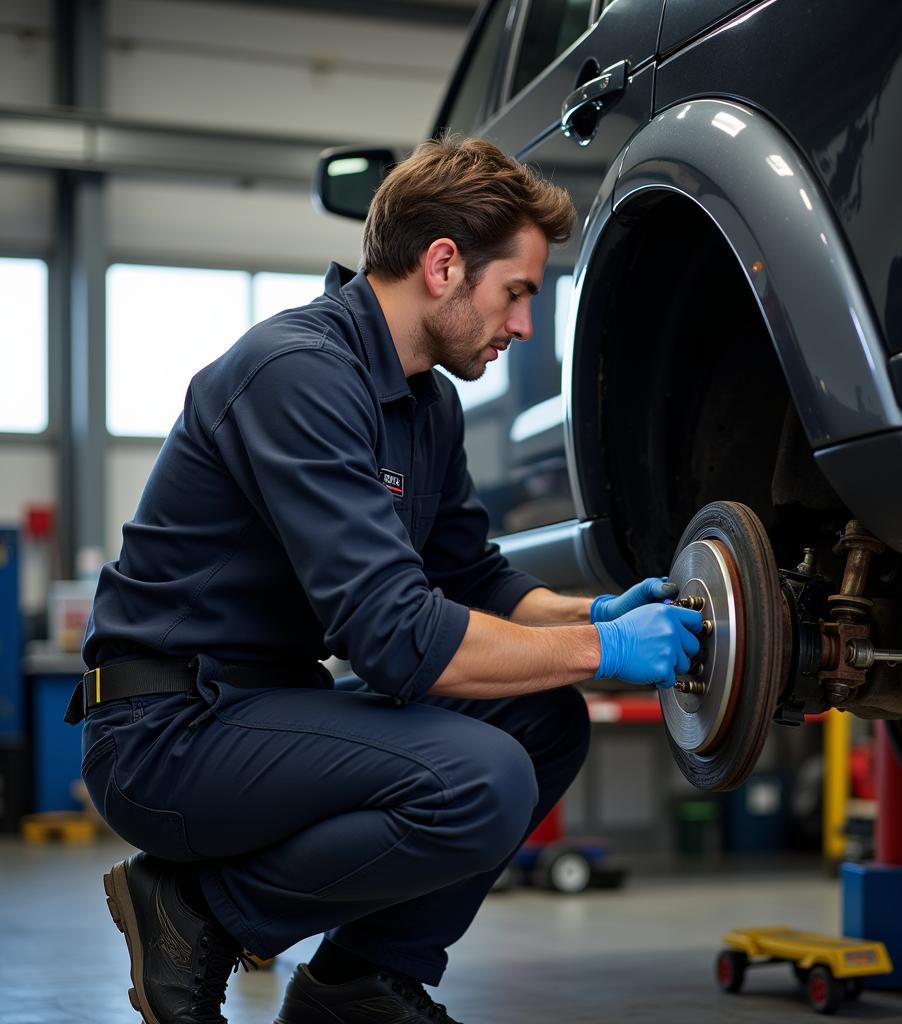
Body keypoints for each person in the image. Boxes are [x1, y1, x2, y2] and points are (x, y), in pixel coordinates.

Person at [68, 136, 703, 1024]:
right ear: (444, 265)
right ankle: (195, 913)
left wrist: (596, 610)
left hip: (262, 712)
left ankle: (359, 983)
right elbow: (397, 637)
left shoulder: (425, 403)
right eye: (516, 292)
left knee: (543, 721)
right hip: (165, 733)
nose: (523, 325)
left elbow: (472, 576)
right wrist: (601, 648)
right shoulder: (299, 374)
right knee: (481, 780)